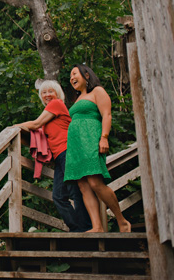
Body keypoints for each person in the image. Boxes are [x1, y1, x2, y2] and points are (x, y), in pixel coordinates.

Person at [16, 80, 92, 232]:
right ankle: (79, 229)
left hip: (68, 151)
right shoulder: (51, 112)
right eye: (44, 92)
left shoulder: (56, 104)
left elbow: (36, 124)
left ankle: (84, 229)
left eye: (51, 91)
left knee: (74, 191)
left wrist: (13, 127)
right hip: (60, 156)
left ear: (58, 94)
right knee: (59, 196)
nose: (47, 95)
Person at [64, 64, 132, 233]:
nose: (71, 77)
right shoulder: (78, 99)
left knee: (95, 182)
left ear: (86, 75)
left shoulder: (98, 92)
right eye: (70, 76)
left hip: (90, 141)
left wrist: (104, 137)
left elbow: (107, 114)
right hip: (76, 147)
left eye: (75, 73)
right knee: (83, 186)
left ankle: (122, 221)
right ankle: (97, 226)